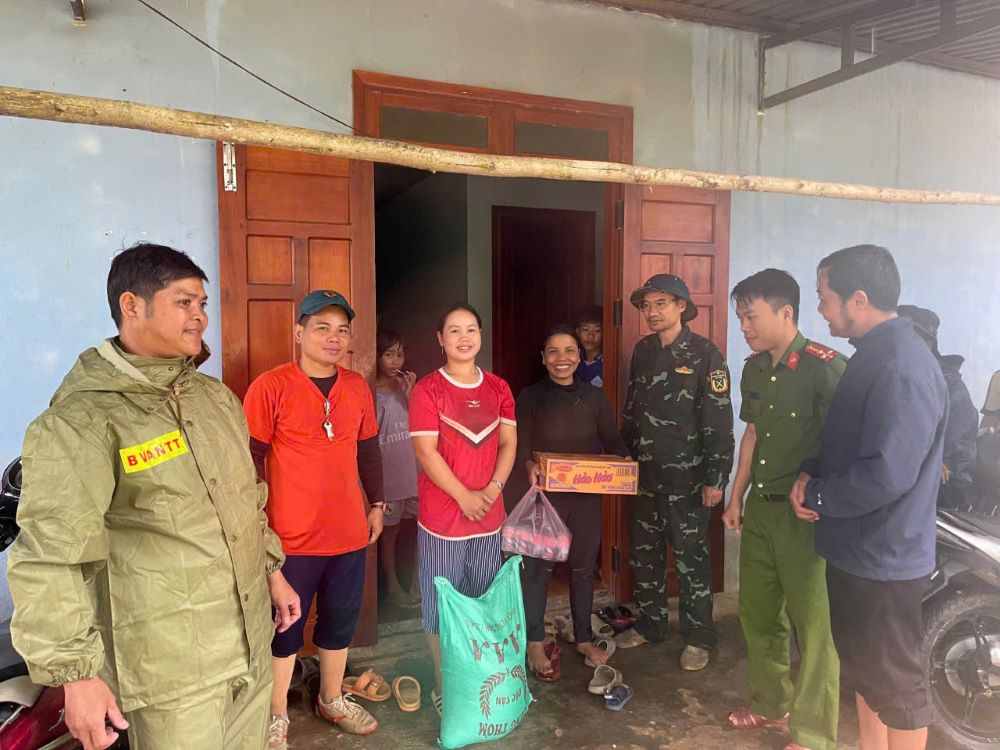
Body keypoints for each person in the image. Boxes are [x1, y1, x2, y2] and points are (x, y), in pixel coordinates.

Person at [7, 243, 299, 750]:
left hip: (249, 641)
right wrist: (76, 675)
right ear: (131, 306)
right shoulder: (82, 421)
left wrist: (273, 571)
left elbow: (245, 498)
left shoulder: (215, 401)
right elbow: (52, 555)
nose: (200, 317)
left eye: (203, 304)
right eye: (184, 302)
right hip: (171, 669)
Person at [790, 245, 947, 750]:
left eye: (824, 297)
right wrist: (812, 472)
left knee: (897, 686)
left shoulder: (903, 366)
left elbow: (888, 473)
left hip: (884, 555)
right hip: (857, 550)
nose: (820, 308)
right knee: (865, 672)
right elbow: (852, 442)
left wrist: (818, 493)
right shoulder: (873, 356)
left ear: (858, 299)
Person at [244, 290, 385, 747]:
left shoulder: (358, 387)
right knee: (284, 628)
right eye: (322, 327)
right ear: (299, 332)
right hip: (290, 538)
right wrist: (256, 527)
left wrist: (377, 504)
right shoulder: (270, 387)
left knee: (339, 622)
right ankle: (276, 713)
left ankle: (330, 698)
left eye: (342, 329)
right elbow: (250, 458)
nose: (334, 337)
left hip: (347, 532)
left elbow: (369, 450)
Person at [722, 269, 846, 750]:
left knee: (815, 628)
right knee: (758, 614)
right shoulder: (754, 369)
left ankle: (815, 734)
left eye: (751, 317)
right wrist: (736, 496)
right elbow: (752, 432)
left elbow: (846, 441)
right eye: (740, 318)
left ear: (785, 312)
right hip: (761, 513)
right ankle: (772, 705)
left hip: (804, 519)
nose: (744, 327)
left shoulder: (826, 366)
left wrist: (822, 492)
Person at [617, 273, 735, 671]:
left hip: (687, 481)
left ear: (681, 306)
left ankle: (698, 637)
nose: (652, 312)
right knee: (645, 557)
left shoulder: (706, 354)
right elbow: (632, 411)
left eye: (661, 303)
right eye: (646, 305)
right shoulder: (643, 350)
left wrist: (716, 479)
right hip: (644, 478)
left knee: (690, 562)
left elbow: (719, 421)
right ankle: (650, 625)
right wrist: (622, 460)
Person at [409, 303, 517, 717]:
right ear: (440, 339)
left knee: (486, 603)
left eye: (471, 329)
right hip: (443, 521)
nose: (464, 337)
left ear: (481, 336)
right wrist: (464, 497)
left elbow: (508, 445)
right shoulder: (428, 390)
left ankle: (482, 677)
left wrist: (492, 488)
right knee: (440, 607)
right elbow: (425, 452)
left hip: (489, 518)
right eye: (454, 330)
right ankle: (444, 681)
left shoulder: (499, 388)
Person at [515, 324, 629, 678]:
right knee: (538, 570)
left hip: (586, 495)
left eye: (569, 351)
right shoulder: (532, 396)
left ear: (579, 357)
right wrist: (529, 464)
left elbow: (611, 437)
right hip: (545, 495)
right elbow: (520, 443)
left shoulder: (593, 398)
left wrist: (626, 463)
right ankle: (535, 641)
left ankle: (582, 637)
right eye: (553, 351)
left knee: (582, 569)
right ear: (543, 358)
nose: (561, 358)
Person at [897, 305, 978, 508]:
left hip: (929, 507)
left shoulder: (951, 390)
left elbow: (956, 471)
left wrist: (927, 468)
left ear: (929, 345)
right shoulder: (885, 375)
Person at [375, 329, 421, 606]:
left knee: (421, 529)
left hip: (415, 474)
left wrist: (411, 395)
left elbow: (422, 426)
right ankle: (392, 586)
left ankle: (417, 582)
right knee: (388, 533)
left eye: (400, 354)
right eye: (388, 354)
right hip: (389, 477)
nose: (395, 361)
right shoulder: (371, 391)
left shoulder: (409, 388)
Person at [575, 305, 604, 387]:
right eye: (585, 329)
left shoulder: (609, 363)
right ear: (578, 332)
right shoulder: (572, 360)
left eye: (597, 330)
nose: (590, 335)